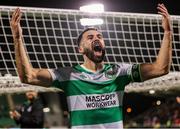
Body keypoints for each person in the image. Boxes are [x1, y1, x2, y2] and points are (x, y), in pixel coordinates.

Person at [10, 3, 172, 129]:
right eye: (90, 37)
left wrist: (167, 33)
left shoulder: (120, 72)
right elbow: (28, 76)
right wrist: (17, 39)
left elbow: (160, 68)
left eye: (100, 36)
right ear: (80, 49)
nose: (96, 39)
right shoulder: (68, 75)